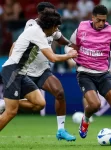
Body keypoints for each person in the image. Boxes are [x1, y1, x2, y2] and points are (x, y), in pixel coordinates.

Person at [0, 2, 77, 141]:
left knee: (39, 104)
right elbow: (52, 57)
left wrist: (73, 45)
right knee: (11, 112)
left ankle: (5, 103)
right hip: (14, 70)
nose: (56, 31)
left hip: (23, 72)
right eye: (56, 28)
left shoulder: (44, 30)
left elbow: (60, 39)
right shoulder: (35, 29)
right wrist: (70, 55)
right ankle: (8, 104)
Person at [64, 5, 111, 146]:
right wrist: (70, 57)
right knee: (95, 105)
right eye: (99, 20)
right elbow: (70, 45)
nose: (102, 23)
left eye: (104, 20)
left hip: (103, 74)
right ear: (93, 17)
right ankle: (86, 119)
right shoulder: (82, 27)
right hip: (84, 73)